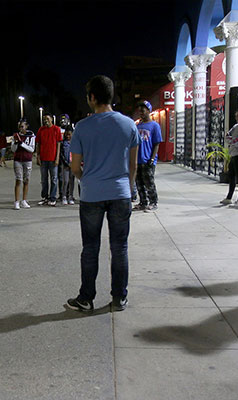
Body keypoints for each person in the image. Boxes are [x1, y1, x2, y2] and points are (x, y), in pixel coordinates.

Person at [66, 75, 140, 313]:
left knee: (90, 247)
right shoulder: (128, 125)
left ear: (93, 97)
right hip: (120, 193)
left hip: (91, 195)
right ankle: (119, 298)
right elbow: (133, 165)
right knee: (120, 247)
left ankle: (86, 298)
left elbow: (75, 167)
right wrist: (126, 187)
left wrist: (85, 179)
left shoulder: (82, 127)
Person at [133, 100, 162, 212]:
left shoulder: (154, 126)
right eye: (139, 110)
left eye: (143, 110)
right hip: (138, 160)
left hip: (148, 159)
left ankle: (153, 202)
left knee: (149, 182)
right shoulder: (138, 125)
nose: (141, 112)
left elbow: (157, 143)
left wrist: (152, 158)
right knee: (139, 183)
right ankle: (143, 202)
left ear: (148, 111)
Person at [36, 114, 61, 206]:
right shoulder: (41, 130)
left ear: (51, 119)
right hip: (43, 159)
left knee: (54, 179)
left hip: (53, 159)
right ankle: (45, 197)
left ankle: (53, 197)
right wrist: (38, 157)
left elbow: (58, 144)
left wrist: (57, 158)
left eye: (47, 118)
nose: (45, 120)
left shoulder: (56, 129)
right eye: (44, 119)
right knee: (44, 179)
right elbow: (38, 144)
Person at [12, 119, 35, 210]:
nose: (21, 128)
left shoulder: (31, 136)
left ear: (26, 126)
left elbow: (32, 149)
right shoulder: (16, 136)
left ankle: (24, 200)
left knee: (26, 180)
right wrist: (16, 144)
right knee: (18, 179)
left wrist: (22, 144)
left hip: (27, 160)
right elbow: (13, 149)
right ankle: (16, 201)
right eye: (19, 127)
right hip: (18, 160)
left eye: (22, 126)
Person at [59, 127, 75, 205]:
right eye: (66, 134)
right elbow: (61, 154)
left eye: (69, 134)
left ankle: (71, 196)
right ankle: (64, 196)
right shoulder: (63, 143)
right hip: (66, 165)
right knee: (65, 181)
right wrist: (66, 163)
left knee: (72, 181)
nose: (68, 136)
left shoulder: (76, 143)